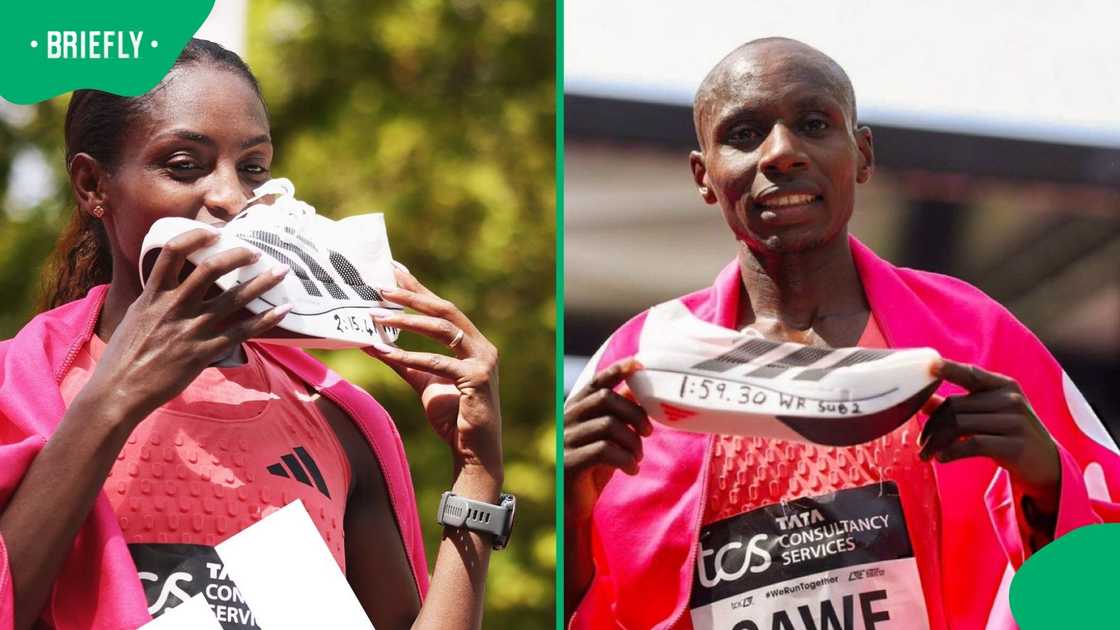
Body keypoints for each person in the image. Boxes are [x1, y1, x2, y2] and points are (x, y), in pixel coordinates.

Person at [564, 37, 1120, 630]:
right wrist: (569, 502)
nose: (781, 153)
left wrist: (1047, 480)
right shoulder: (642, 361)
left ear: (861, 155)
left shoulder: (972, 336)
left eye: (812, 123)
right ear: (704, 176)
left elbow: (1097, 591)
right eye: (745, 134)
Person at [0, 39, 506, 630]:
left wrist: (477, 474)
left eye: (253, 167)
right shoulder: (23, 390)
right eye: (184, 165)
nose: (231, 197)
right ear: (93, 185)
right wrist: (114, 399)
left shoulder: (337, 418)